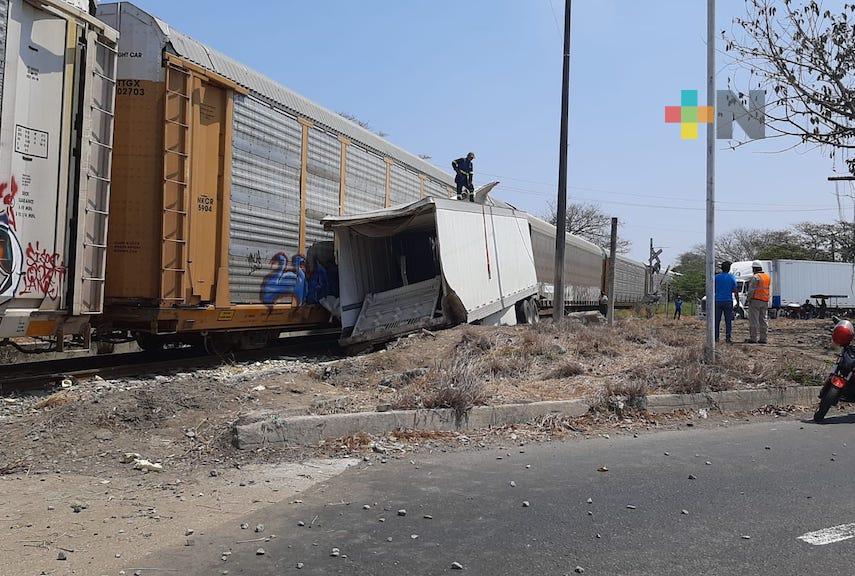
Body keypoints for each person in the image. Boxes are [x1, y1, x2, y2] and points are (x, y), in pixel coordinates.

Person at [714, 261, 739, 343]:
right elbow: (735, 291)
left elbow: (712, 289)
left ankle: (716, 337)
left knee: (716, 320)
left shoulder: (716, 277)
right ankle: (728, 337)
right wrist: (738, 302)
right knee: (728, 321)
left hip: (717, 300)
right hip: (728, 301)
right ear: (729, 268)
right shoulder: (732, 278)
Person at [746, 260, 770, 344]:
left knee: (754, 320)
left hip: (755, 300)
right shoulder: (767, 277)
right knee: (763, 320)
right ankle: (764, 338)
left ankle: (753, 338)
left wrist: (748, 299)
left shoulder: (756, 277)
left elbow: (751, 290)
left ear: (754, 269)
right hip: (765, 300)